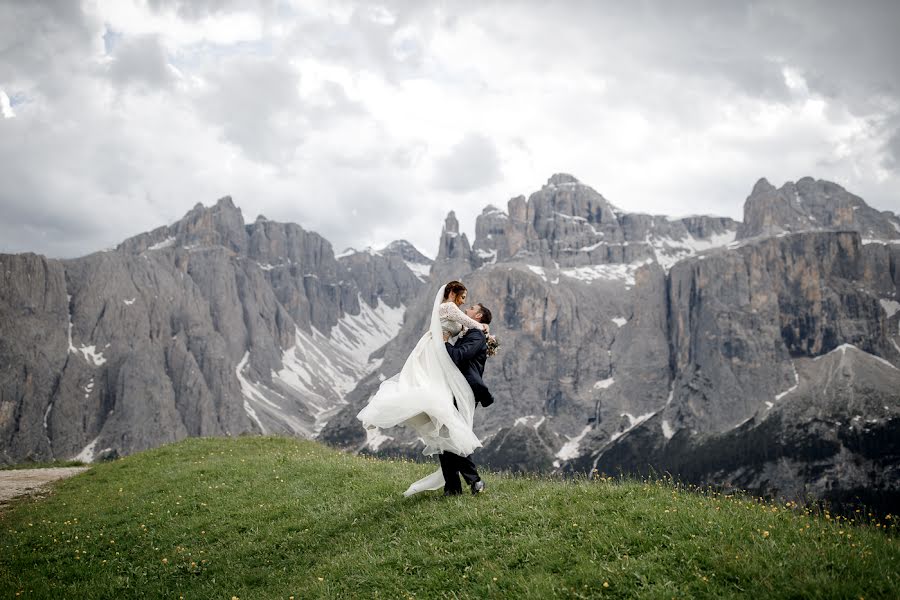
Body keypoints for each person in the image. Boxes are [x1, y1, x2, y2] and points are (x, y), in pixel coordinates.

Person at [356, 281, 489, 496]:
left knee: (448, 430)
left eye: (470, 304)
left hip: (447, 367)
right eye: (463, 297)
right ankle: (464, 484)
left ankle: (461, 485)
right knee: (447, 428)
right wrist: (482, 329)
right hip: (435, 354)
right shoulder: (449, 308)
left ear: (480, 315)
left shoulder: (465, 323)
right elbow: (466, 324)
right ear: (453, 292)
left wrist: (482, 331)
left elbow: (463, 335)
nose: (465, 303)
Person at [440, 302, 494, 495]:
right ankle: (452, 488)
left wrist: (444, 341)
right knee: (444, 435)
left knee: (453, 434)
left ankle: (475, 481)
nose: (466, 310)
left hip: (465, 392)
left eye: (471, 308)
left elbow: (458, 356)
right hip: (455, 390)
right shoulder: (472, 332)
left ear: (478, 316)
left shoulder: (477, 336)